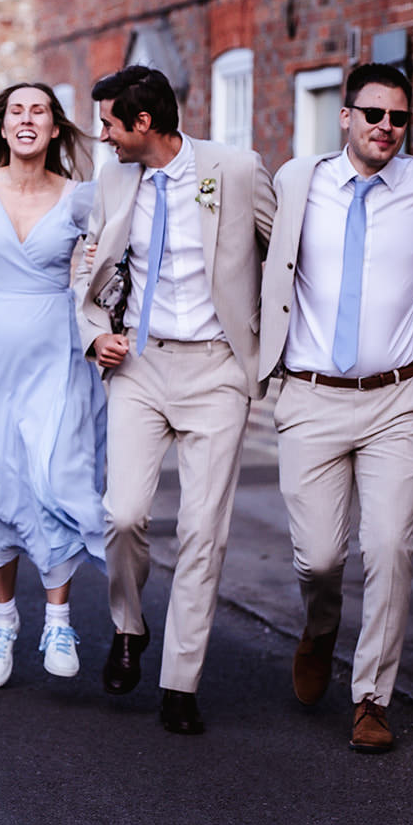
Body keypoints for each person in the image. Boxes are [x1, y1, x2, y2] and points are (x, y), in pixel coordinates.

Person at [259, 62, 413, 752]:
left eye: (398, 118)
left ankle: (371, 698)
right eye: (373, 114)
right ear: (345, 116)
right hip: (311, 397)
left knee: (389, 548)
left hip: (398, 400)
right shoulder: (297, 181)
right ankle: (320, 627)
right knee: (320, 556)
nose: (386, 127)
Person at [77, 66, 273, 734]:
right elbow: (92, 263)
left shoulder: (237, 170)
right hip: (141, 362)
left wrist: (269, 349)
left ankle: (180, 682)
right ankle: (128, 624)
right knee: (124, 512)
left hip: (218, 369)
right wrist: (95, 333)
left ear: (143, 124)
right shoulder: (113, 179)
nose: (102, 136)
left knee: (201, 531)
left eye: (109, 123)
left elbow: (289, 258)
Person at [0, 83, 107, 687]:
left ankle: (59, 620)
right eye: (17, 110)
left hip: (55, 355)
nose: (27, 119)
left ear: (56, 128)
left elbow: (109, 267)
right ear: (3, 125)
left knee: (57, 472)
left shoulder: (81, 199)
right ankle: (3, 619)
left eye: (39, 110)